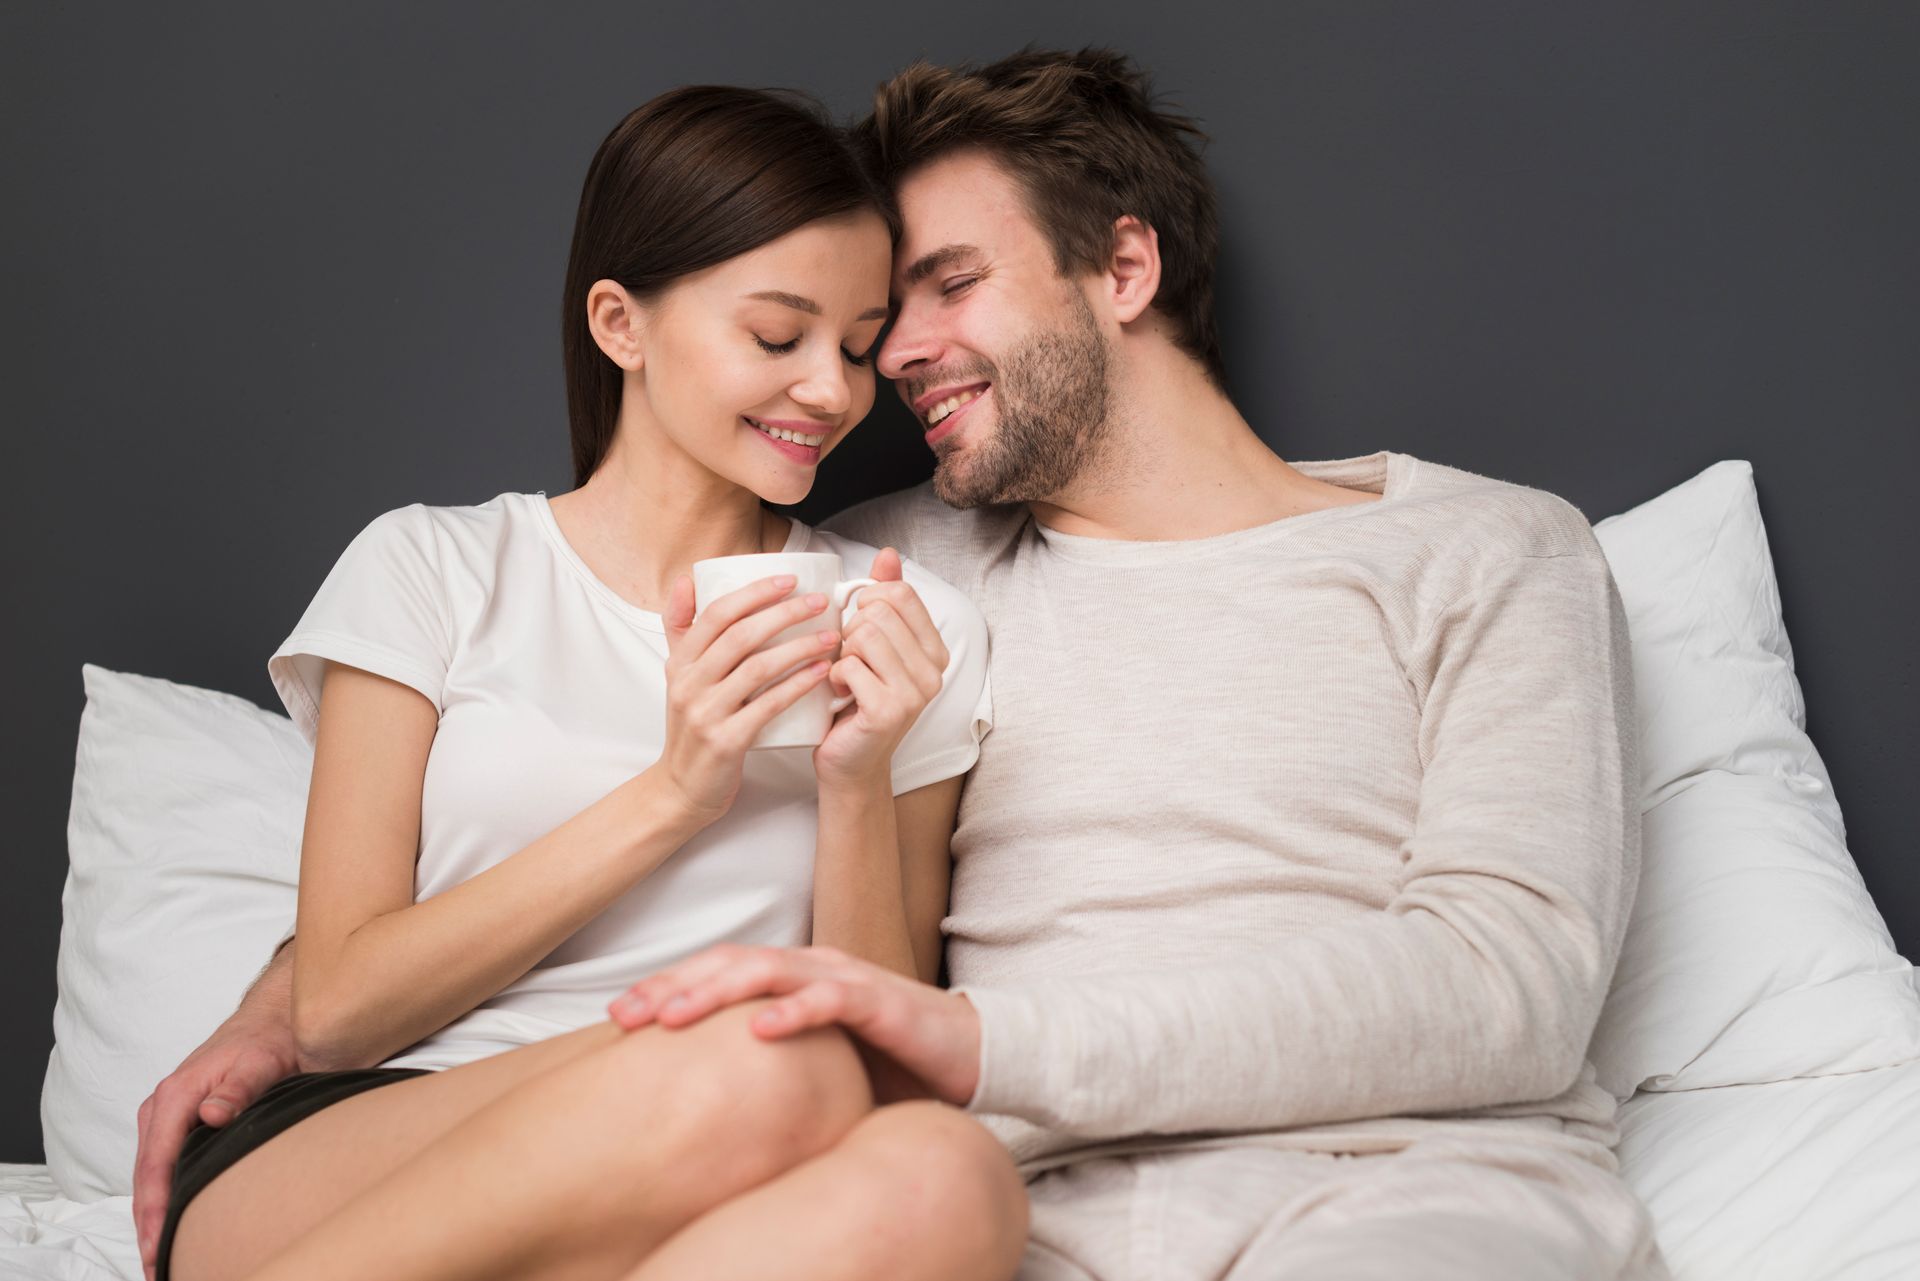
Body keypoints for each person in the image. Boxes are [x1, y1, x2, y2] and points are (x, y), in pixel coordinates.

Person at [139, 44, 1674, 1281]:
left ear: (1122, 268)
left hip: (1377, 1184)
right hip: (1005, 1192)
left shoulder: (1484, 550)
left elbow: (1505, 983)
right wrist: (286, 997)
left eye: (934, 293)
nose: (875, 369)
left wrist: (971, 1017)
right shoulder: (896, 555)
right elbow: (394, 930)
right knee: (855, 1119)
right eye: (837, 325)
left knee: (893, 1137)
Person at [134, 85, 1028, 1281]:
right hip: (363, 1159)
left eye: (859, 346)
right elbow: (339, 1011)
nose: (833, 389)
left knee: (948, 1175)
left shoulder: (910, 628)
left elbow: (881, 1058)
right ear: (622, 323)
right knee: (769, 1055)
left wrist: (856, 777)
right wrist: (676, 788)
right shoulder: (435, 568)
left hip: (725, 1154)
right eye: (778, 336)